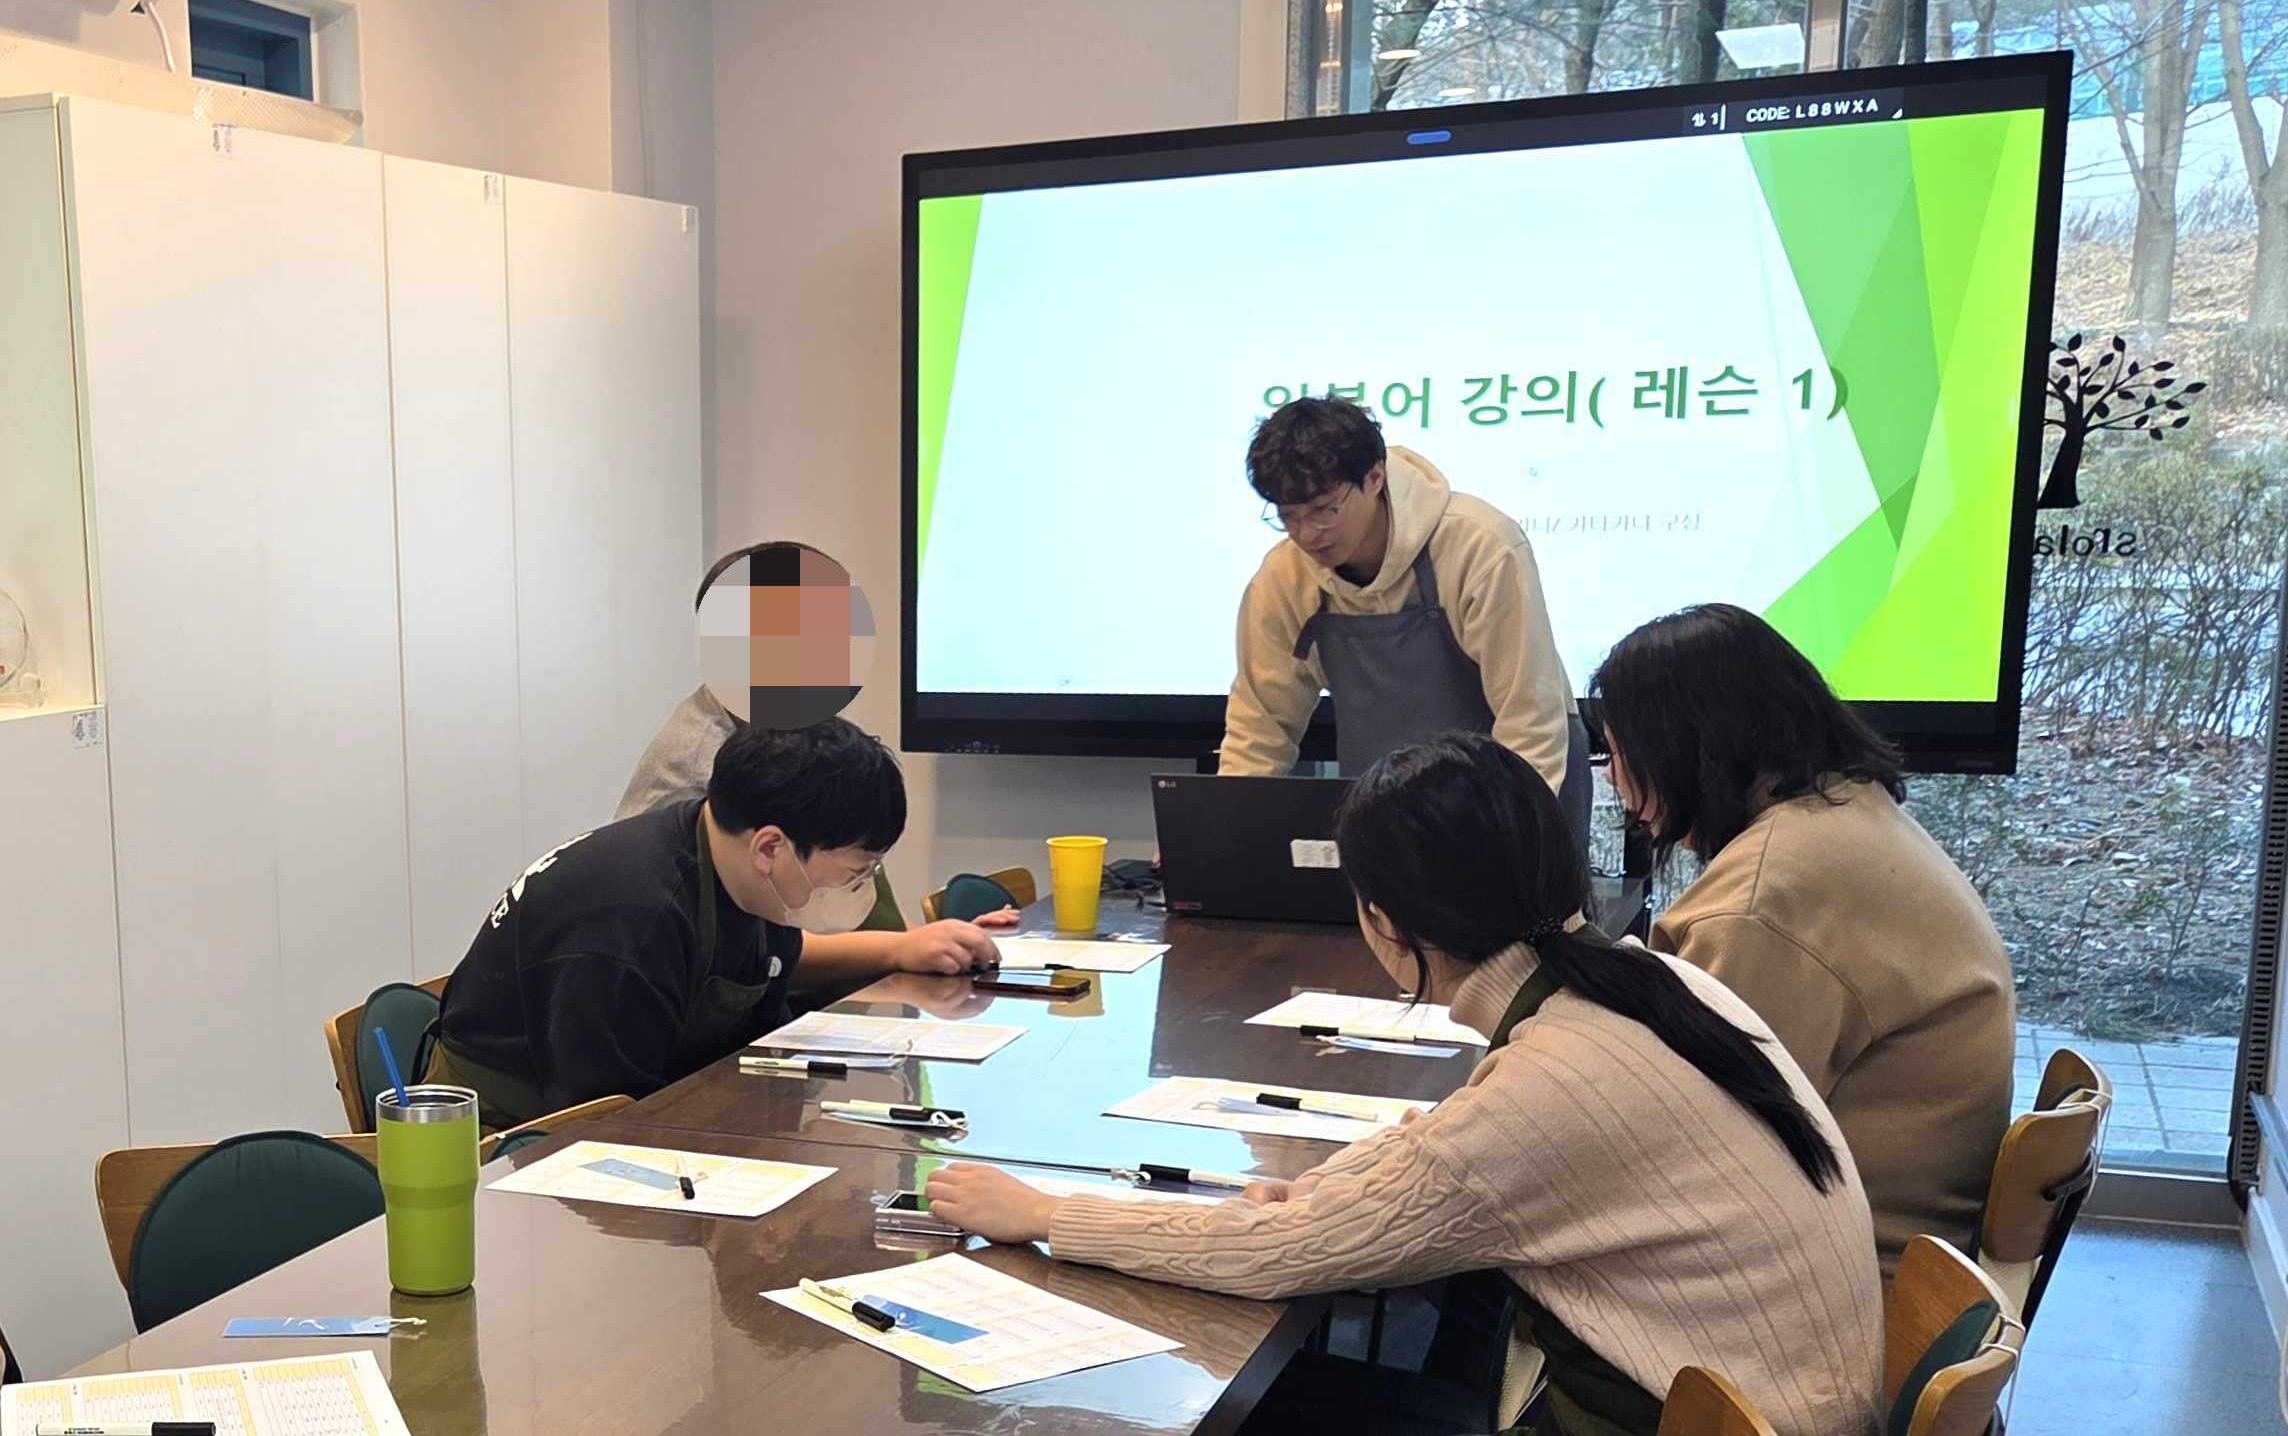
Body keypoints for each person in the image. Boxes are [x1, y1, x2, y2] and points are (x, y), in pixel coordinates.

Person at [927, 733, 1882, 1436]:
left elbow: (1274, 1254)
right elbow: (1448, 1145)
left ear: (1384, 919)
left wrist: (1043, 1212)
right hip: (1771, 1399)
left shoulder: (1553, 1075)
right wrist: (1329, 1188)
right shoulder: (1643, 980)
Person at [1588, 603, 2016, 1279]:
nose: (1612, 777)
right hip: (1904, 1246)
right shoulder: (1847, 812)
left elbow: (1683, 1136)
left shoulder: (1767, 898)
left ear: (1686, 747)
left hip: (1836, 1277)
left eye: (1617, 752)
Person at [428, 718, 999, 1130]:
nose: (861, 885)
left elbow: (773, 975)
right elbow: (606, 1127)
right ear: (771, 847)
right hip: (513, 1140)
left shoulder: (739, 869)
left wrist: (896, 950)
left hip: (662, 1103)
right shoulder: (630, 925)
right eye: (856, 871)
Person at [1218, 396, 1592, 851]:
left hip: (1513, 792)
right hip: (1388, 799)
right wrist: (1217, 829)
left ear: (1374, 477)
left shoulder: (1480, 546)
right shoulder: (1284, 578)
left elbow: (1529, 719)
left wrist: (1502, 841)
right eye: (1288, 516)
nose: (1306, 534)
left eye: (1324, 510)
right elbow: (1261, 726)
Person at [619, 540, 1017, 949]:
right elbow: (764, 951)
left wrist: (943, 940)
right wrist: (902, 950)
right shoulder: (707, 761)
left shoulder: (799, 733)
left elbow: (854, 892)